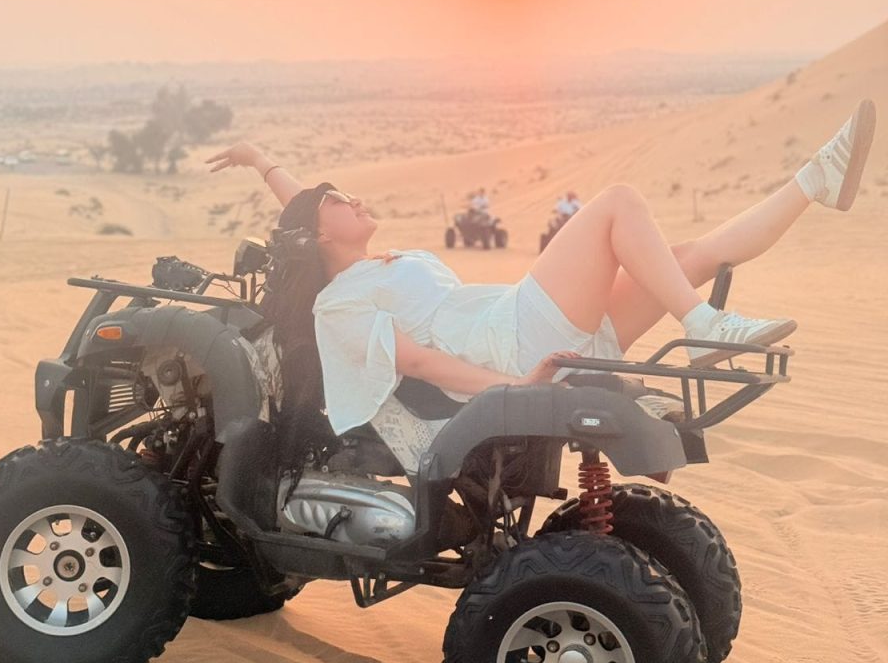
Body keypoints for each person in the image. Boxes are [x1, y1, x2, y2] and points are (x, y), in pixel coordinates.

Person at [205, 100, 876, 441]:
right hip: (511, 343)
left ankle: (813, 180)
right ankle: (705, 325)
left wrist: (260, 157)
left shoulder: (373, 261)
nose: (354, 197)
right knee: (616, 205)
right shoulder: (339, 304)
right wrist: (514, 388)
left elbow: (305, 209)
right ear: (323, 232)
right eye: (339, 201)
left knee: (687, 258)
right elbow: (421, 365)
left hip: (524, 331)